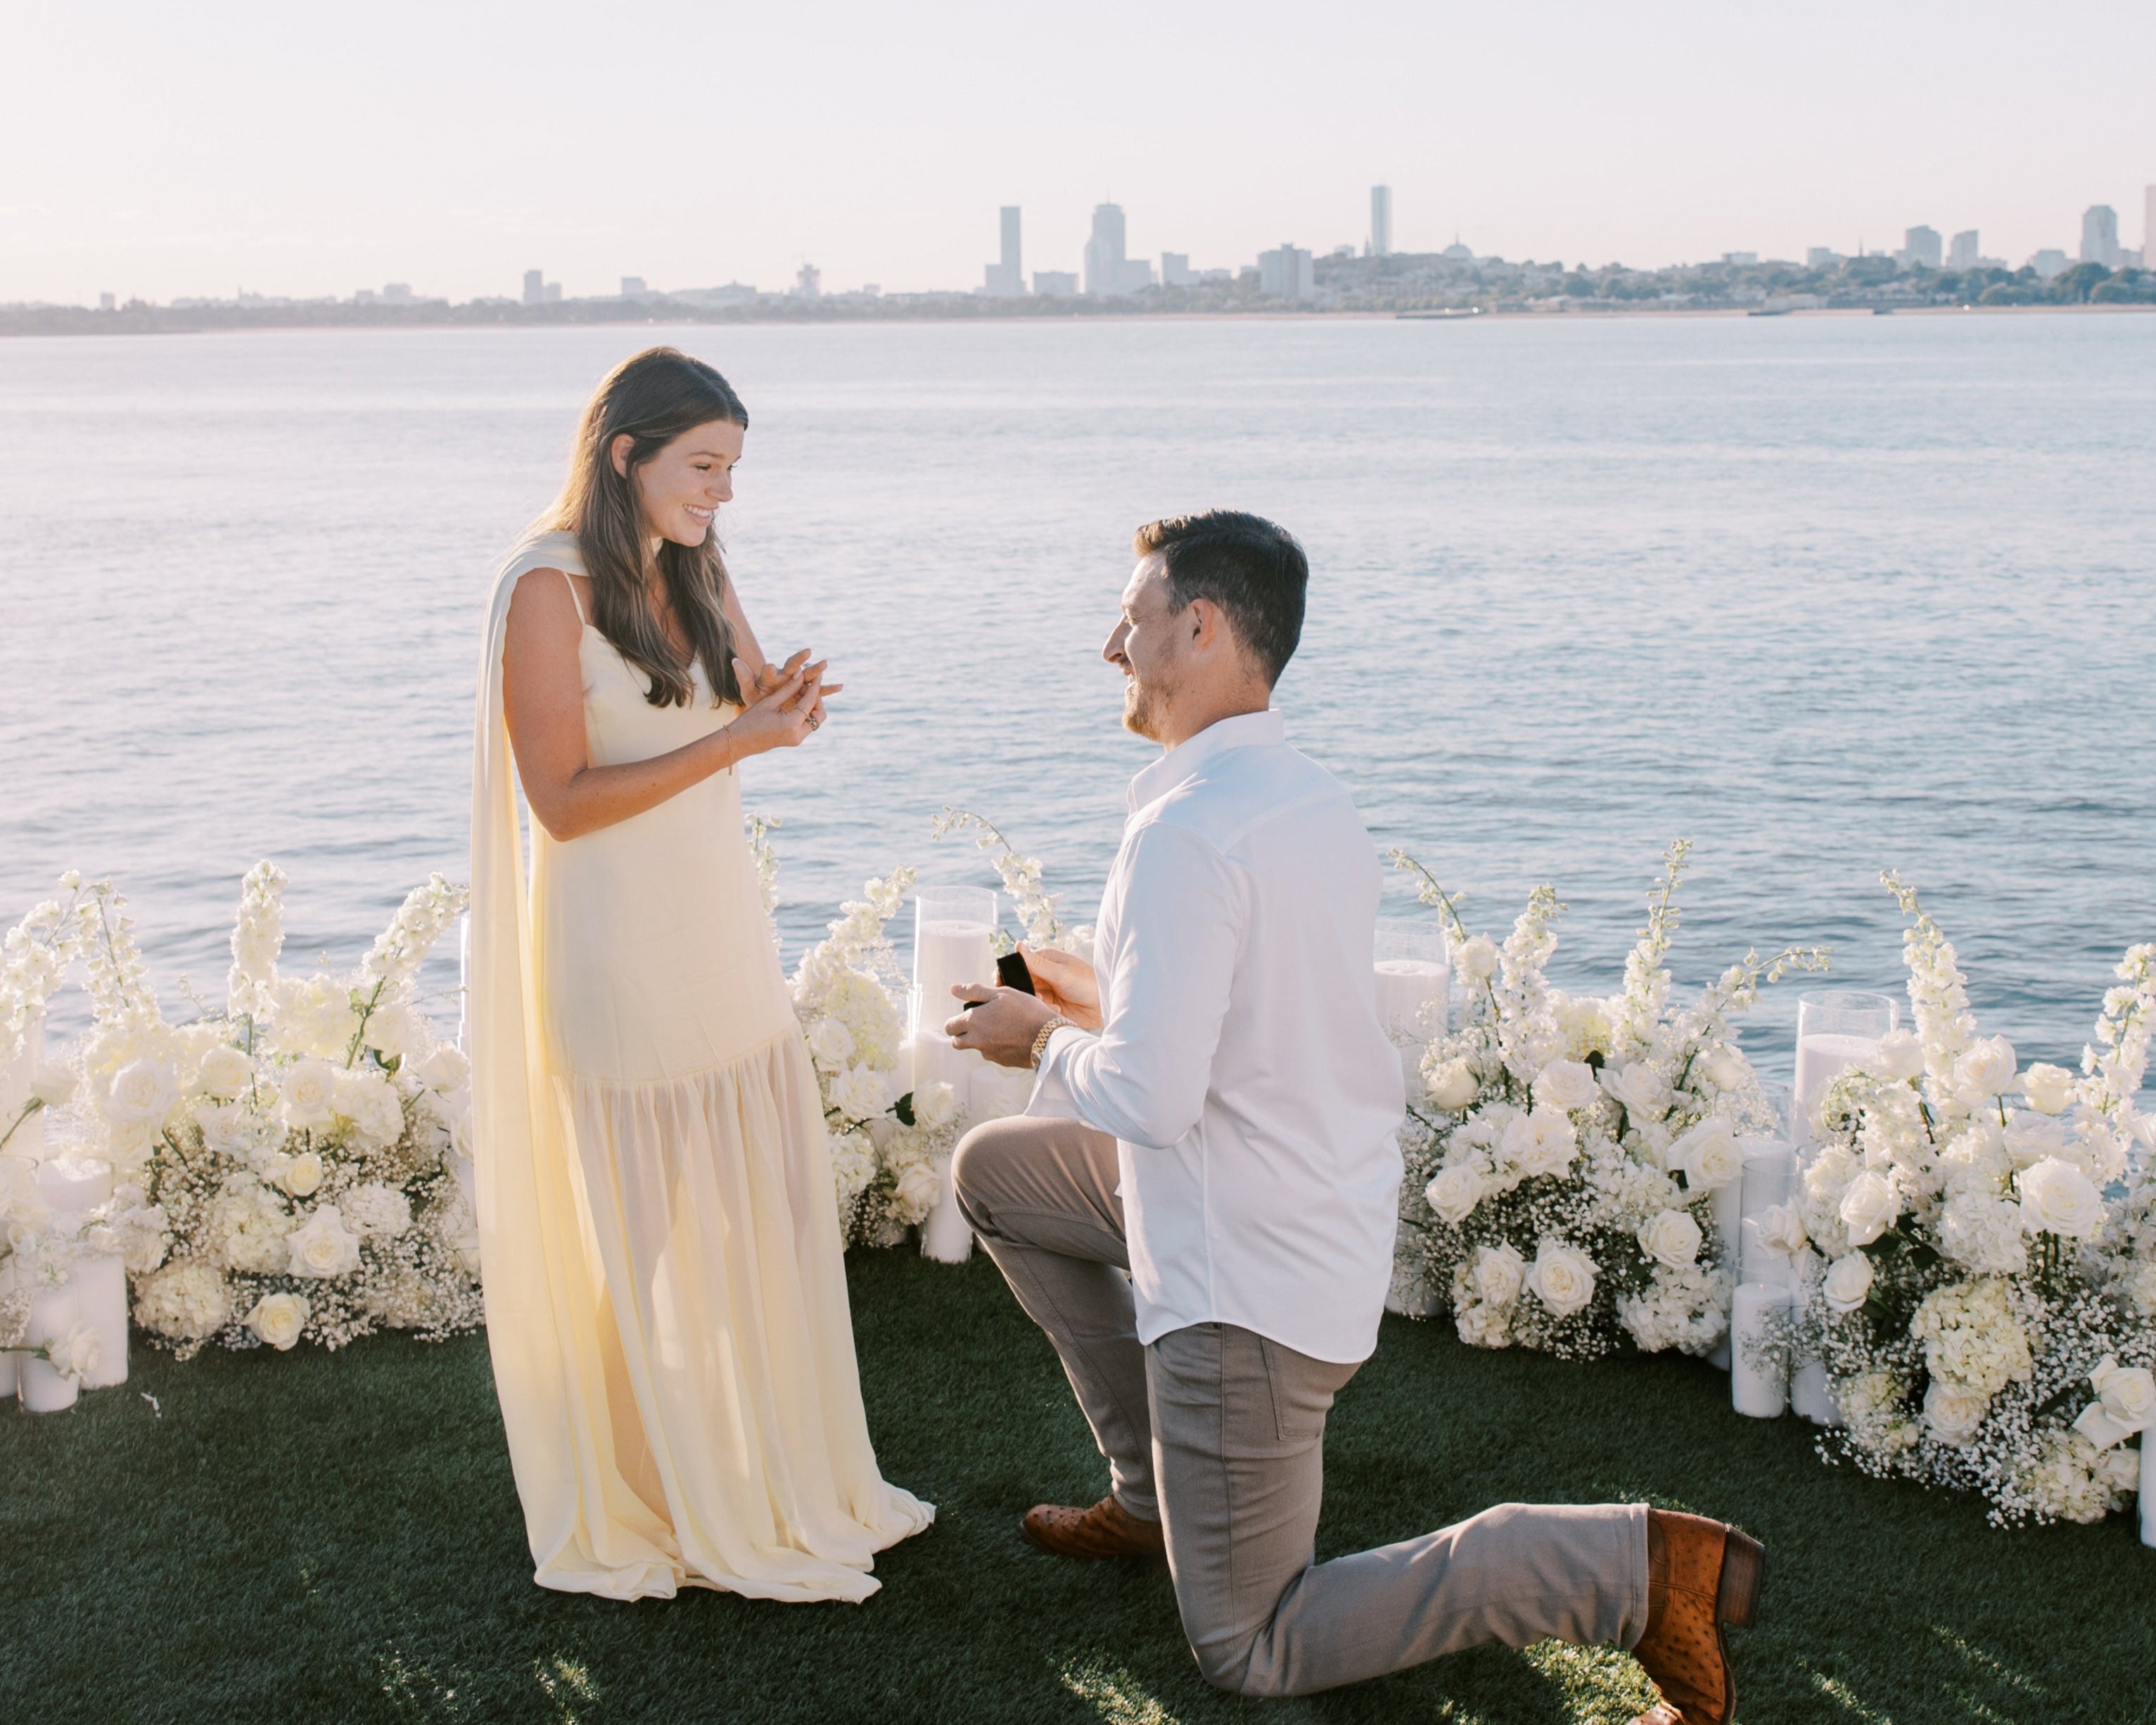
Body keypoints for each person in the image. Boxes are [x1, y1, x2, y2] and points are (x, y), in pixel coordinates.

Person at [946, 510, 1762, 1725]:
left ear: (1202, 627)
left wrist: (1040, 1038)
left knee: (1250, 1645)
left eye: (1130, 616)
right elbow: (1243, 1023)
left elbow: (1153, 1100)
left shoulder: (1181, 833)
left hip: (1244, 1279)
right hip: (1296, 1199)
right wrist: (1106, 1002)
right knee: (995, 1174)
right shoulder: (1298, 794)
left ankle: (1635, 1571)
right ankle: (1154, 1489)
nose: (1109, 642)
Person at [468, 346, 931, 1602]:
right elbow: (559, 803)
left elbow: (744, 704)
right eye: (704, 467)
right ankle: (657, 1491)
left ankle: (771, 1472)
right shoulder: (543, 590)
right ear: (626, 455)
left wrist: (780, 705)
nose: (723, 494)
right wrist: (740, 734)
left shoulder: (698, 568)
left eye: (732, 470)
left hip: (720, 935)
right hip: (619, 952)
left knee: (765, 1208)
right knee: (653, 1234)